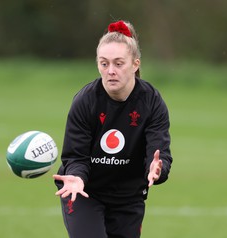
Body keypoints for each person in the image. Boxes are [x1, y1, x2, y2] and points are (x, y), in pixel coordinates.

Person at [53, 20, 173, 238]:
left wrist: (157, 168)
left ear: (135, 64)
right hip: (84, 192)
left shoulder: (152, 102)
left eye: (118, 64)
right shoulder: (85, 101)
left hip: (128, 197)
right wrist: (77, 177)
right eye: (104, 63)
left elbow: (158, 152)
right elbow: (75, 156)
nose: (110, 71)